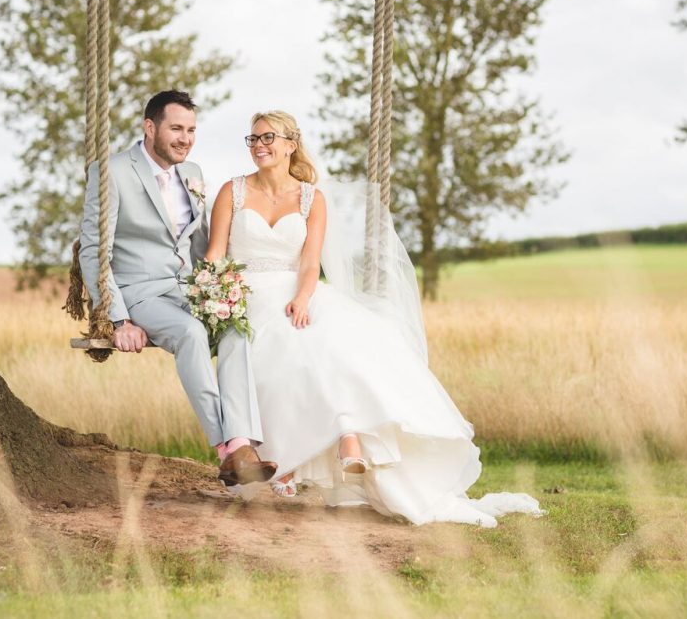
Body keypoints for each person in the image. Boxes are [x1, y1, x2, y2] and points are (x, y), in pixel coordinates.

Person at [203, 110, 544, 527]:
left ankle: (351, 437)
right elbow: (215, 254)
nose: (259, 145)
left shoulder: (312, 198)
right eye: (252, 138)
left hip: (297, 291)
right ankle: (324, 443)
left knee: (342, 344)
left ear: (291, 144)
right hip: (246, 296)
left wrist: (303, 298)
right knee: (292, 350)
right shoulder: (232, 192)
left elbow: (310, 262)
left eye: (267, 137)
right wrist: (217, 297)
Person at [79, 90, 277, 487]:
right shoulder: (113, 172)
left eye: (191, 130)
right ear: (150, 128)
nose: (185, 138)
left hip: (189, 288)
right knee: (191, 333)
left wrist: (218, 291)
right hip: (140, 292)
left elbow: (199, 242)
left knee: (236, 327)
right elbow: (93, 251)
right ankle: (227, 449)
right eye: (176, 129)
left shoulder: (193, 174)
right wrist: (117, 319)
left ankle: (241, 441)